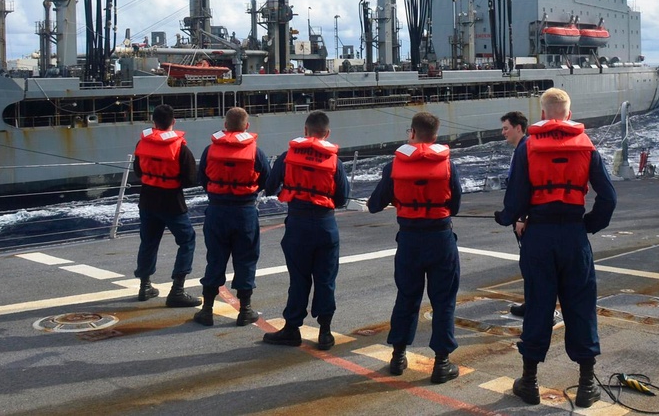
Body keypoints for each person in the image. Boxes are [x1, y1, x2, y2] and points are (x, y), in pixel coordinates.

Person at [495, 88, 616, 408]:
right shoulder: (587, 147)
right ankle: (587, 385)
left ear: (544, 114)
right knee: (581, 305)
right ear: (569, 114)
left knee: (538, 306)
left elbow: (516, 198)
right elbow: (609, 197)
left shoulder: (528, 146)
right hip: (574, 237)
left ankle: (530, 382)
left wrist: (506, 217)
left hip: (539, 238)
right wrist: (589, 225)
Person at [368, 112, 464, 384]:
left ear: (412, 133)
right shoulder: (448, 165)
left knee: (407, 298)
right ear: (436, 136)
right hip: (440, 239)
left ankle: (398, 356)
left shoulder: (394, 165)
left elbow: (375, 205)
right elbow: (454, 205)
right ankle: (442, 363)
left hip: (409, 240)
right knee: (444, 301)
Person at [262, 111, 350, 350]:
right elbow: (342, 197)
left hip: (298, 226)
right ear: (327, 134)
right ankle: (325, 332)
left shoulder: (287, 156)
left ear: (305, 131)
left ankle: (292, 329)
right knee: (326, 279)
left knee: (298, 279)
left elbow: (269, 186)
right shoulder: (335, 161)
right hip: (325, 226)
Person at [193, 107, 271, 327]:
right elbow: (267, 179)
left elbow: (203, 178)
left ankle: (207, 310)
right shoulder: (256, 151)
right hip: (245, 211)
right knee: (246, 259)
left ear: (225, 125)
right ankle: (245, 310)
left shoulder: (210, 150)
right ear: (246, 126)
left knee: (215, 258)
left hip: (217, 211)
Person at [132, 104, 201, 307]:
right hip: (172, 202)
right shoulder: (181, 148)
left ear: (153, 122)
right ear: (173, 122)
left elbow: (138, 171)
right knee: (187, 240)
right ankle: (177, 290)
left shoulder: (141, 144)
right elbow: (190, 179)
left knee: (149, 242)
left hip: (147, 201)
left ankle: (145, 286)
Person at [500, 110, 529, 318]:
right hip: (523, 217)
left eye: (506, 128)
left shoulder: (524, 150)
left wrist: (521, 217)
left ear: (518, 128)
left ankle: (533, 304)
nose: (503, 132)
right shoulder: (523, 148)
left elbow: (528, 187)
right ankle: (532, 301)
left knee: (529, 263)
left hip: (525, 220)